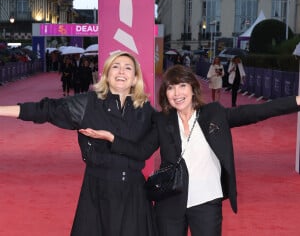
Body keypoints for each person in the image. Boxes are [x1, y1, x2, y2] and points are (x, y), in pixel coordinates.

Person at [80, 64, 300, 236]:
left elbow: (257, 112)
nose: (177, 93)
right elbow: (140, 151)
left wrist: (296, 101)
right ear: (165, 94)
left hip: (207, 202)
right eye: (171, 88)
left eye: (182, 86)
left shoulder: (214, 114)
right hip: (169, 203)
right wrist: (110, 137)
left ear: (193, 89)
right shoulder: (163, 121)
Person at [0, 51, 158, 236]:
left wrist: (112, 139)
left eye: (128, 68)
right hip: (97, 191)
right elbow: (45, 110)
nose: (121, 71)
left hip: (134, 194)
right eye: (115, 66)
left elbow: (146, 149)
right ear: (106, 75)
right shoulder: (87, 104)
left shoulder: (147, 112)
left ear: (134, 79)